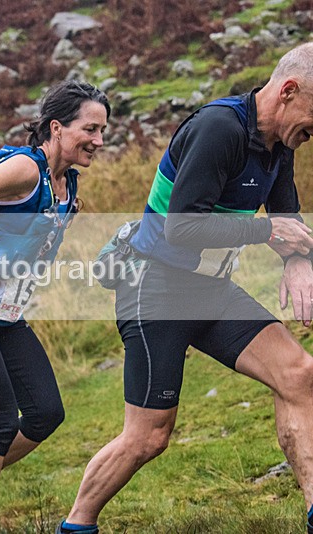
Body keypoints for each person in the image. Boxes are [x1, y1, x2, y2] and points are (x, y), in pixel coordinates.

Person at [58, 42, 313, 534]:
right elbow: (183, 228)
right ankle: (76, 524)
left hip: (208, 289)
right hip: (154, 287)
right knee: (148, 437)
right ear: (288, 91)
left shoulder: (280, 142)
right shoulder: (219, 130)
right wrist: (266, 233)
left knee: (299, 373)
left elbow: (287, 217)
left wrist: (300, 261)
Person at [0, 80, 110, 533]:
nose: (99, 141)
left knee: (46, 412)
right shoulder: (25, 171)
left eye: (103, 131)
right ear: (56, 128)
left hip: (6, 315)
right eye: (90, 129)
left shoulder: (66, 182)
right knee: (1, 422)